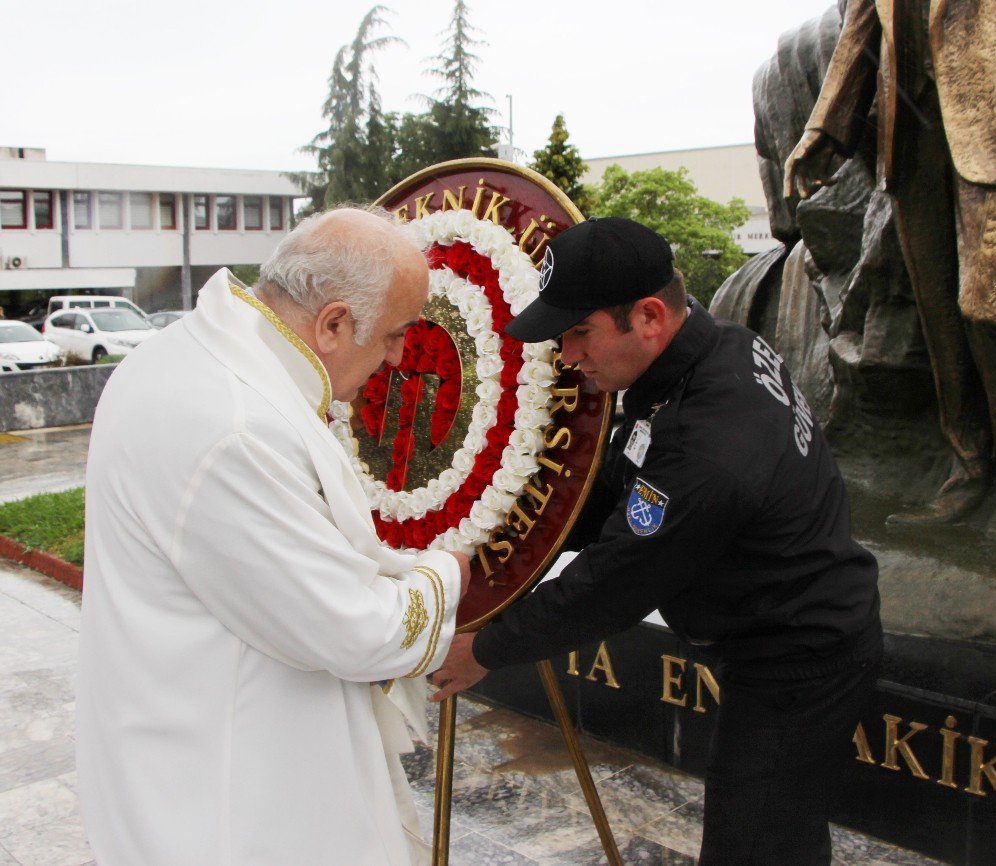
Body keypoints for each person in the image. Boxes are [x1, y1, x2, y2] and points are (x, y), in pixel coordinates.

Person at [431, 217, 883, 865]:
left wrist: (487, 648)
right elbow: (618, 487)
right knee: (780, 835)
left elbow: (616, 582)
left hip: (801, 657)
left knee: (751, 847)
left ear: (647, 316)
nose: (567, 356)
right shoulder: (702, 357)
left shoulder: (710, 441)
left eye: (579, 333)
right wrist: (507, 542)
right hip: (777, 630)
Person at [77, 207, 470, 866]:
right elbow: (359, 631)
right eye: (397, 334)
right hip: (236, 801)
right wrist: (451, 570)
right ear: (334, 323)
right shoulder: (235, 427)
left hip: (186, 738)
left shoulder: (193, 356)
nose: (401, 357)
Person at [784, 0, 996, 531]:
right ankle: (968, 467)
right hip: (912, 138)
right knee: (939, 317)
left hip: (989, 120)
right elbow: (862, 28)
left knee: (985, 308)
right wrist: (822, 133)